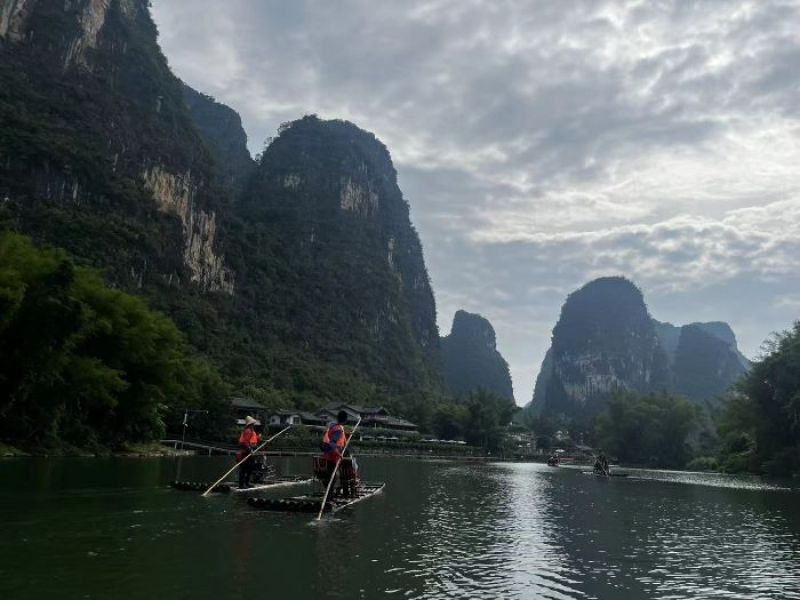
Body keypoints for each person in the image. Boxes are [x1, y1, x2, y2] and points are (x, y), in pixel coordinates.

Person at [319, 410, 348, 491]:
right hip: (333, 455)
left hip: (328, 454)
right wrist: (338, 454)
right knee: (333, 477)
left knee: (331, 475)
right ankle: (330, 497)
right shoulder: (338, 429)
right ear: (345, 420)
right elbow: (332, 443)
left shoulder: (334, 426)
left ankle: (330, 494)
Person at [237, 416, 260, 489]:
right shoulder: (247, 431)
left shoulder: (251, 430)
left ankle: (247, 483)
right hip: (245, 452)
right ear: (251, 424)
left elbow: (253, 441)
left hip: (250, 451)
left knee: (250, 468)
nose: (254, 424)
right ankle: (241, 484)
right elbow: (245, 442)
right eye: (253, 423)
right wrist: (250, 450)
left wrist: (259, 439)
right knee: (244, 469)